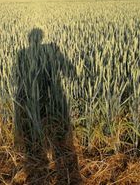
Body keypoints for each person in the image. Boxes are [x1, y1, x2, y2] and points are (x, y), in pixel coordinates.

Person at [14, 28, 81, 184]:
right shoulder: (50, 49)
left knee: (38, 123)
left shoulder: (22, 53)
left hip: (33, 99)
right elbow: (68, 70)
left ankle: (39, 152)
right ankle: (52, 152)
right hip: (51, 97)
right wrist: (74, 75)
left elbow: (17, 78)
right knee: (53, 126)